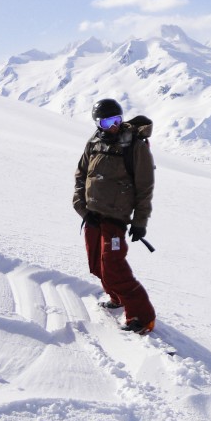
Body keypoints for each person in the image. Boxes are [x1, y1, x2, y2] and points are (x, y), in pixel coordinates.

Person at [73, 98, 156, 335]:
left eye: (117, 120)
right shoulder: (94, 142)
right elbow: (81, 175)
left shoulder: (135, 146)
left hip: (115, 218)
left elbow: (144, 188)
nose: (113, 126)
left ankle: (143, 317)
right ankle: (117, 298)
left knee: (113, 267)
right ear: (98, 123)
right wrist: (82, 207)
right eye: (107, 121)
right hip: (92, 216)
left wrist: (140, 222)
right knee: (96, 265)